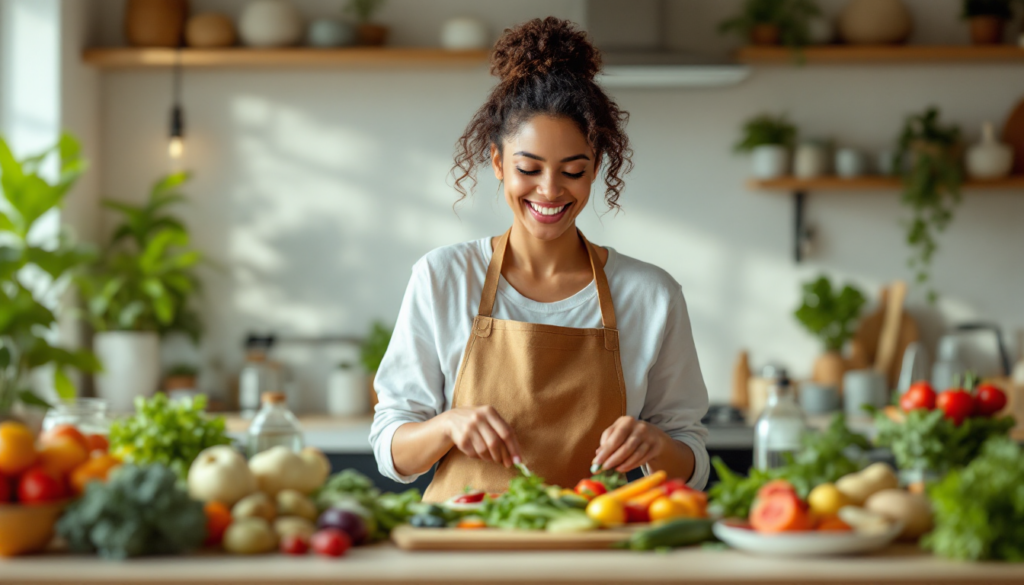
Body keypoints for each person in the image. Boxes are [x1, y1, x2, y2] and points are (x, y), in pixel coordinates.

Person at [369, 17, 709, 502]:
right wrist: (448, 425)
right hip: (463, 549)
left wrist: (658, 445)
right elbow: (392, 450)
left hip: (592, 548)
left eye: (574, 170)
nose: (549, 191)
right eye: (529, 168)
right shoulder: (443, 276)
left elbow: (691, 460)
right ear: (497, 163)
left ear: (597, 169)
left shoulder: (650, 294)